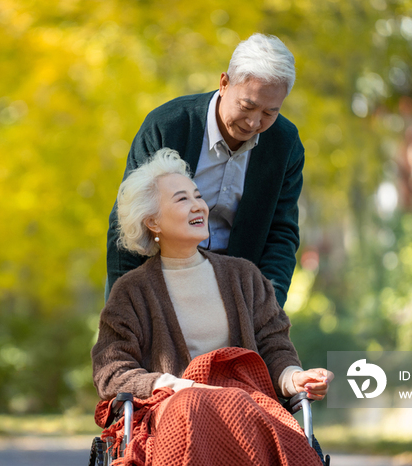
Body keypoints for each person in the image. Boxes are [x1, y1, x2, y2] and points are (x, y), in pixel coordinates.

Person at [92, 149, 333, 465]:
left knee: (253, 412)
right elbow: (111, 371)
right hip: (177, 409)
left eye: (198, 196)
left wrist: (293, 378)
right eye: (182, 200)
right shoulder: (131, 292)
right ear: (152, 221)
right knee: (191, 404)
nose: (198, 206)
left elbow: (275, 348)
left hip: (247, 402)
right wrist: (170, 384)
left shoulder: (244, 276)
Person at [106, 33, 304, 307]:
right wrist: (124, 309)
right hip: (161, 282)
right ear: (224, 84)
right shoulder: (167, 126)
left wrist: (268, 306)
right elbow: (127, 221)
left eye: (270, 113)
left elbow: (281, 233)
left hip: (239, 291)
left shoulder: (286, 144)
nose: (254, 122)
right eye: (248, 106)